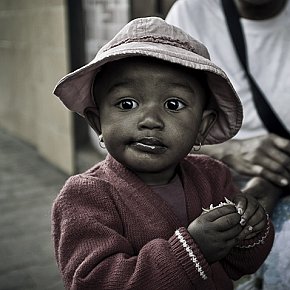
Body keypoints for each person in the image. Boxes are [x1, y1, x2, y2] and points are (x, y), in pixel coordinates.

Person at [51, 17, 274, 290]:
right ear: (98, 123)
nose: (150, 120)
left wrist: (250, 228)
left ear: (202, 128)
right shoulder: (85, 197)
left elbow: (240, 265)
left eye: (173, 104)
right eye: (127, 103)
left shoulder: (213, 176)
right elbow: (93, 282)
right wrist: (193, 250)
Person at [166, 0, 290, 289]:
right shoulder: (190, 12)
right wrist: (229, 150)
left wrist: (272, 180)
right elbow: (161, 123)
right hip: (213, 180)